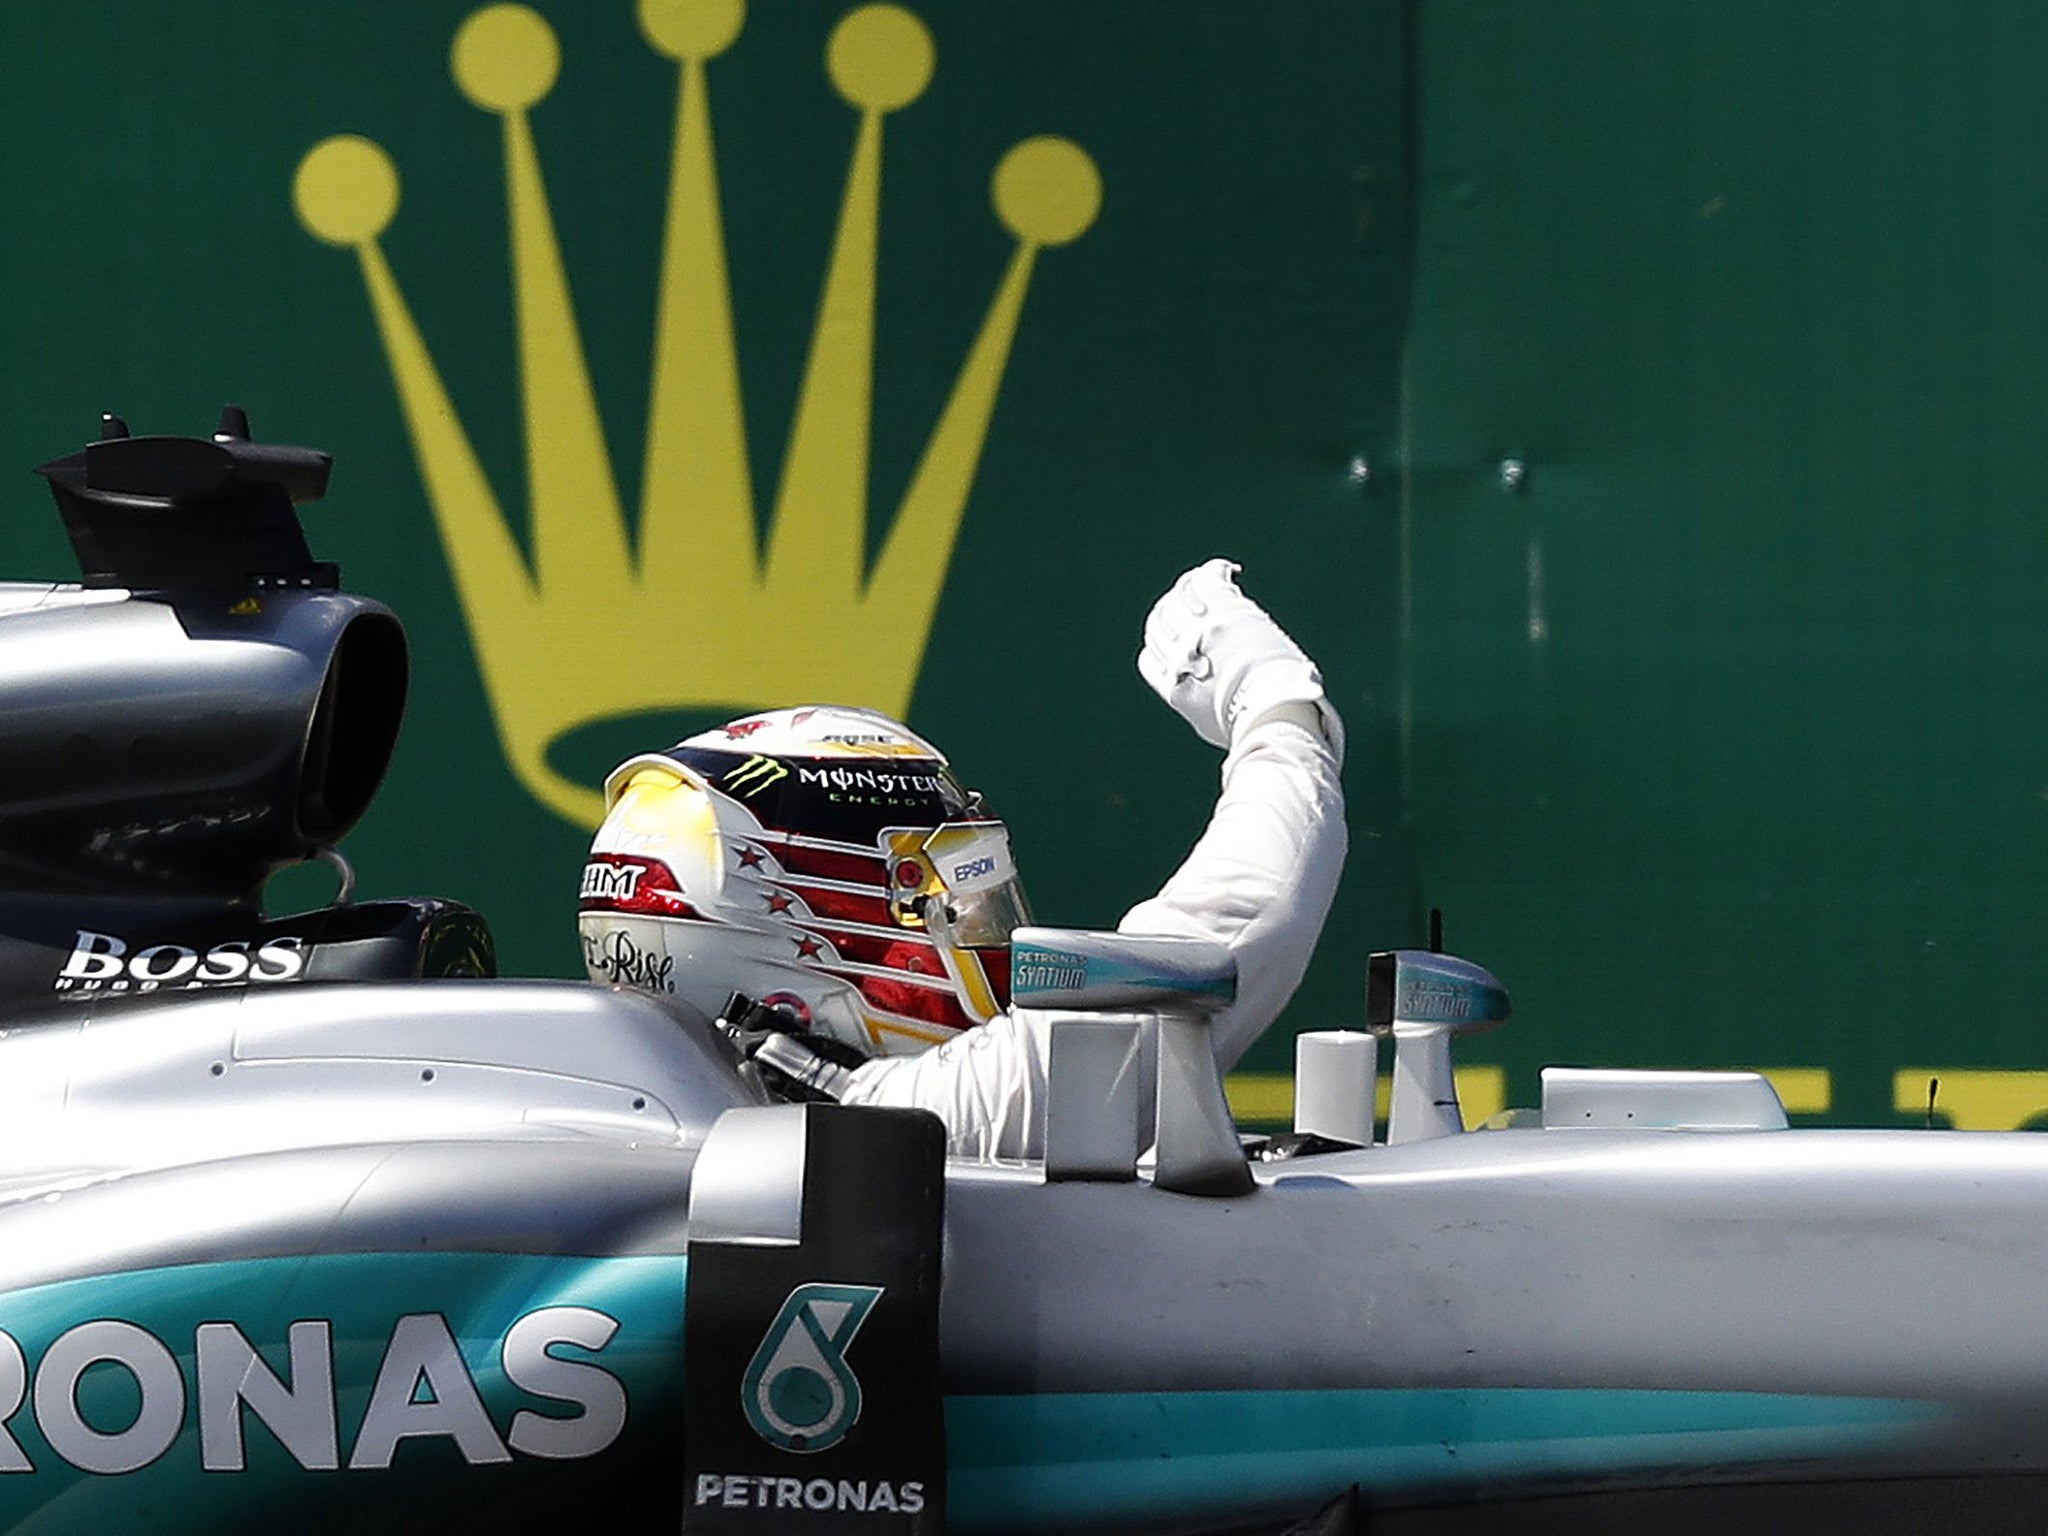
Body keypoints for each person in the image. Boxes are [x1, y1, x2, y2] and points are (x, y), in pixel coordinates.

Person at [578, 558, 1346, 1159]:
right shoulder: (893, 1128)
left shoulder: (605, 1125)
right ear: (801, 913)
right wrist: (1278, 713)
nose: (980, 934)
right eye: (936, 897)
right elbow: (1223, 948)